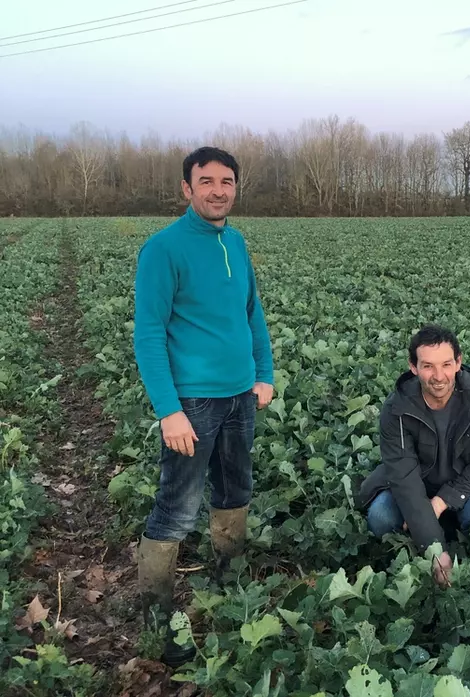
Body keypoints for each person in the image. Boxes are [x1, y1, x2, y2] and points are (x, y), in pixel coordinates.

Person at [132, 146, 274, 666]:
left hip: (241, 397)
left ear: (236, 187)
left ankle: (228, 583)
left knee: (235, 489)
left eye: (227, 181)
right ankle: (156, 617)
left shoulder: (235, 242)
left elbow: (252, 314)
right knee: (178, 506)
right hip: (192, 402)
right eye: (207, 181)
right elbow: (148, 335)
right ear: (186, 189)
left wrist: (264, 374)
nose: (219, 190)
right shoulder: (163, 249)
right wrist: (169, 410)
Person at [357, 325, 470, 587]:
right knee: (381, 517)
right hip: (417, 486)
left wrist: (441, 501)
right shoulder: (397, 409)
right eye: (428, 366)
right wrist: (435, 549)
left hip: (468, 485)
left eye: (446, 364)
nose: (439, 376)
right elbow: (404, 479)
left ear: (459, 363)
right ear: (413, 367)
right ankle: (422, 553)